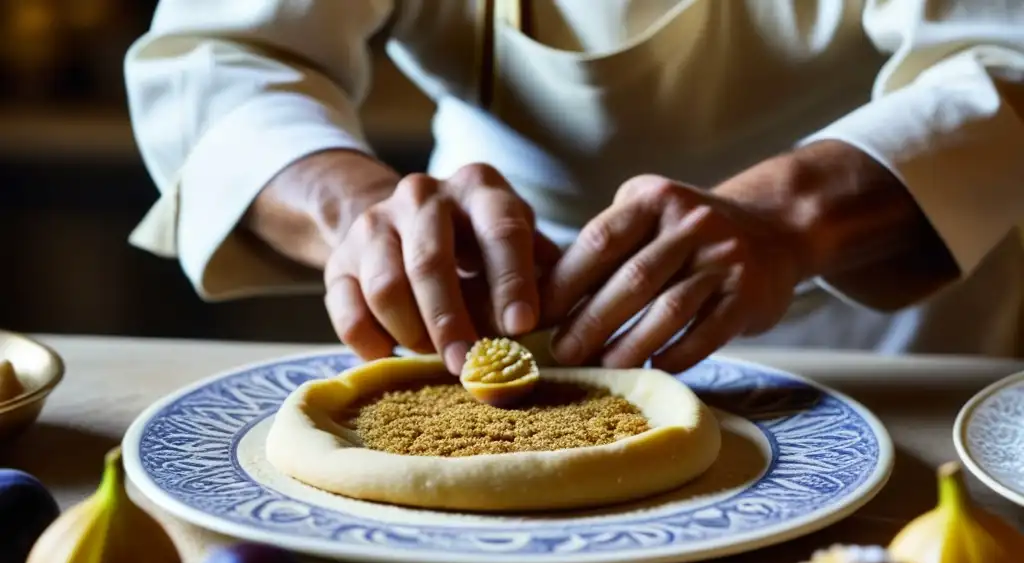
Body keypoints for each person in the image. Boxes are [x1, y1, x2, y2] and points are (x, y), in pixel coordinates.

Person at [123, 0, 1024, 376]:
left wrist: (784, 219)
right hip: (490, 317)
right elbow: (222, 51)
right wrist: (362, 218)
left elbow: (1003, 54)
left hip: (880, 327)